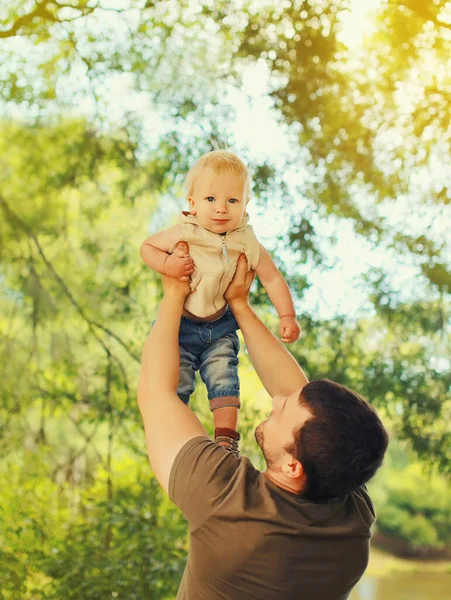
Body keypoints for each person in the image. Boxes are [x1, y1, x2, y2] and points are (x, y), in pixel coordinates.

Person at [137, 252, 389, 600]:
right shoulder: (351, 519)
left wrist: (173, 295)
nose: (277, 399)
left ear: (293, 466)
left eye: (284, 411)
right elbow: (294, 394)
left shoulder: (226, 503)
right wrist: (238, 304)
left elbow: (156, 394)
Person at [140, 150, 300, 456]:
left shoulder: (247, 241)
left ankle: (226, 439)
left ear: (245, 205)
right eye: (210, 199)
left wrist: (287, 315)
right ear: (193, 204)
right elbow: (147, 247)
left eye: (232, 201)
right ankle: (174, 432)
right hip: (181, 325)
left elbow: (272, 279)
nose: (221, 209)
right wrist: (168, 265)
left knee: (225, 375)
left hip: (221, 324)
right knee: (176, 377)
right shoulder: (188, 231)